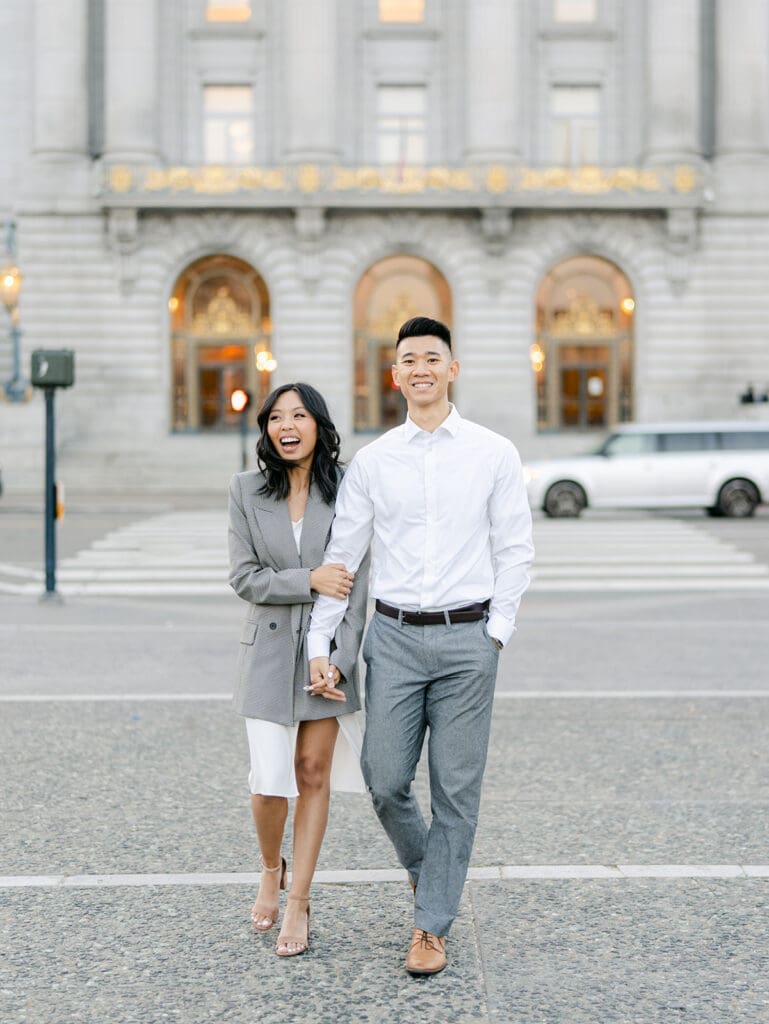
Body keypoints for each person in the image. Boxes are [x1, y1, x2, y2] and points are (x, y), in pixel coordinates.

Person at [308, 317, 533, 976]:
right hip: (395, 639)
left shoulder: (493, 452)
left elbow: (515, 547)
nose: (421, 368)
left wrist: (496, 633)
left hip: (469, 640)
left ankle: (430, 926)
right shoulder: (375, 461)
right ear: (395, 375)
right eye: (409, 359)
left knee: (456, 792)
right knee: (383, 781)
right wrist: (321, 641)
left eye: (432, 357)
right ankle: (432, 872)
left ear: (451, 369)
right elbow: (343, 557)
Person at [228, 382, 369, 958]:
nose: (287, 426)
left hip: (325, 655)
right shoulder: (245, 490)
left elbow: (358, 586)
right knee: (269, 782)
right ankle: (271, 867)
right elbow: (244, 577)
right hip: (266, 652)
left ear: (319, 425)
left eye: (300, 415)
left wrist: (341, 660)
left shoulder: (348, 489)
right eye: (276, 417)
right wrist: (308, 579)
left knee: (312, 773)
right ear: (266, 429)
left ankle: (300, 901)